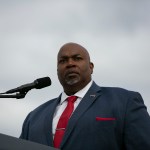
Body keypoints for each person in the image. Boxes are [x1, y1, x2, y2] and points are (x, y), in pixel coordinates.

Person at [20, 42, 150, 150]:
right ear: (57, 70)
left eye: (77, 58)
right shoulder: (34, 117)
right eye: (63, 60)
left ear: (91, 67)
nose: (70, 63)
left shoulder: (125, 101)